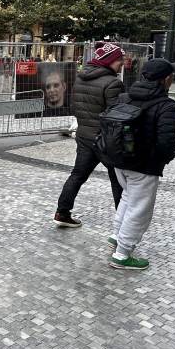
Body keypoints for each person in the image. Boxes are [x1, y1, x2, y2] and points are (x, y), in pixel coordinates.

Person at [107, 58, 175, 271]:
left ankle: (116, 236)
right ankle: (122, 254)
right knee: (139, 208)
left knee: (128, 197)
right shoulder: (166, 105)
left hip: (119, 159)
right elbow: (167, 141)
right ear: (166, 79)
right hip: (144, 164)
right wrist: (162, 159)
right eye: (171, 76)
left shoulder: (125, 97)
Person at [53, 43, 125, 228]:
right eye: (119, 60)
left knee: (77, 175)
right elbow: (117, 115)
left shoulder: (80, 78)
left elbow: (74, 108)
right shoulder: (113, 83)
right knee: (118, 181)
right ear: (109, 61)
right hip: (106, 141)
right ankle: (124, 225)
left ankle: (62, 213)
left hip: (85, 135)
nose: (122, 63)